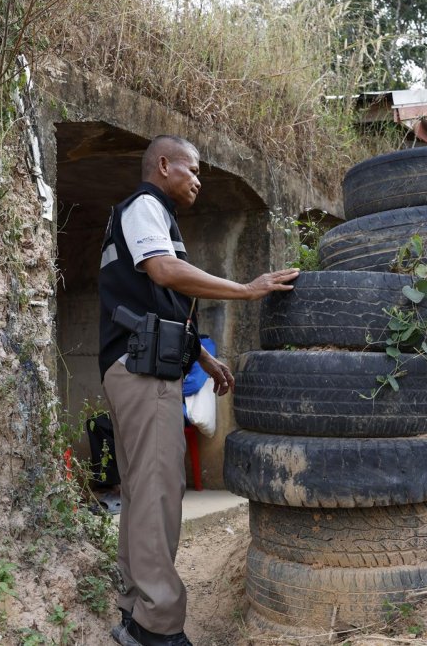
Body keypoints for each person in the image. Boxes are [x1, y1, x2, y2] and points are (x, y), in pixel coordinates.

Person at [98, 135, 298, 646]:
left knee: (144, 493)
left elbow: (157, 299)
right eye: (192, 169)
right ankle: (157, 627)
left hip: (136, 367)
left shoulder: (151, 217)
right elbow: (165, 272)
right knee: (159, 496)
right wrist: (246, 289)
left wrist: (203, 357)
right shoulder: (146, 206)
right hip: (142, 374)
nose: (198, 180)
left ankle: (134, 612)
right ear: (163, 166)